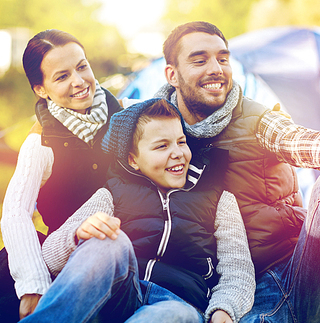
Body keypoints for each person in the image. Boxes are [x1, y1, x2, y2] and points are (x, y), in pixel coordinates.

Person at [115, 21, 320, 323]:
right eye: (199, 60)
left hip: (294, 274)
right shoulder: (152, 133)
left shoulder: (256, 120)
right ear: (172, 73)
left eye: (223, 58)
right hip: (219, 295)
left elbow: (305, 142)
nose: (216, 69)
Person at [20, 98, 255, 323]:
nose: (178, 153)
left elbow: (238, 269)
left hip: (180, 304)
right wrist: (77, 234)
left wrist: (225, 308)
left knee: (173, 315)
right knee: (109, 239)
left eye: (181, 141)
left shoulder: (218, 198)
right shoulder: (112, 193)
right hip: (122, 295)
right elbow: (49, 256)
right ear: (133, 160)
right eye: (162, 146)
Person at [0, 29, 122, 322]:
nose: (78, 82)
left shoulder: (123, 117)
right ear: (41, 89)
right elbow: (15, 212)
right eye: (62, 76)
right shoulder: (40, 142)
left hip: (119, 249)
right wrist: (33, 286)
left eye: (81, 66)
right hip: (62, 254)